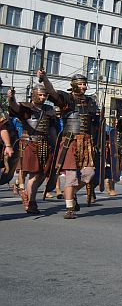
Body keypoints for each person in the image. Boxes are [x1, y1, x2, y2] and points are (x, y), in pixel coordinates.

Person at [39, 72, 99, 218]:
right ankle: (69, 208)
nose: (84, 86)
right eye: (80, 84)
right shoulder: (66, 99)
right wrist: (45, 79)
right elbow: (52, 92)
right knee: (71, 176)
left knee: (89, 173)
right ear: (74, 85)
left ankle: (72, 194)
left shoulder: (90, 101)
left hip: (86, 143)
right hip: (70, 142)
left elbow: (96, 125)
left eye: (85, 84)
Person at [7, 84, 57, 214]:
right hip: (29, 143)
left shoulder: (49, 109)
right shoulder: (26, 108)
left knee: (41, 174)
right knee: (33, 174)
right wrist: (11, 98)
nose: (43, 97)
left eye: (45, 95)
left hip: (45, 144)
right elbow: (15, 107)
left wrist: (55, 144)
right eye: (40, 95)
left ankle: (29, 198)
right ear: (34, 94)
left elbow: (52, 129)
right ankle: (31, 201)